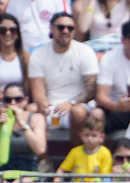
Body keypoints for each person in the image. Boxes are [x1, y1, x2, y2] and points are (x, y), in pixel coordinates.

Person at [29, 13, 99, 147]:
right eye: (61, 27)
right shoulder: (38, 54)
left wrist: (71, 102)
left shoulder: (85, 51)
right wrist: (42, 102)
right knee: (30, 109)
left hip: (76, 105)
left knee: (78, 112)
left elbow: (91, 89)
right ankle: (43, 159)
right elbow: (37, 91)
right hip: (51, 107)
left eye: (70, 28)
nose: (65, 31)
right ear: (51, 28)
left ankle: (77, 156)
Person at [0, 83, 47, 176]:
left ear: (26, 100)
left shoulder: (36, 118)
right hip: (3, 169)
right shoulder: (2, 119)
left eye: (18, 99)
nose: (13, 103)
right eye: (8, 100)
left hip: (28, 169)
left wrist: (23, 123)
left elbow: (40, 149)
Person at [55, 116, 112, 182]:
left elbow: (105, 177)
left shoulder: (105, 153)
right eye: (86, 135)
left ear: (101, 137)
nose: (90, 138)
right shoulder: (75, 152)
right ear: (80, 136)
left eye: (94, 135)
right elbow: (62, 169)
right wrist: (57, 178)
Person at [4, 0, 70, 51]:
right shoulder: (13, 3)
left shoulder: (57, 1)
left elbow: (66, 26)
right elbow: (7, 31)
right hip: (24, 56)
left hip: (53, 53)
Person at [0, 14, 29, 92]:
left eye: (13, 30)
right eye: (2, 30)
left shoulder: (26, 58)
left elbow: (27, 89)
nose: (8, 33)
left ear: (18, 34)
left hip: (17, 101)